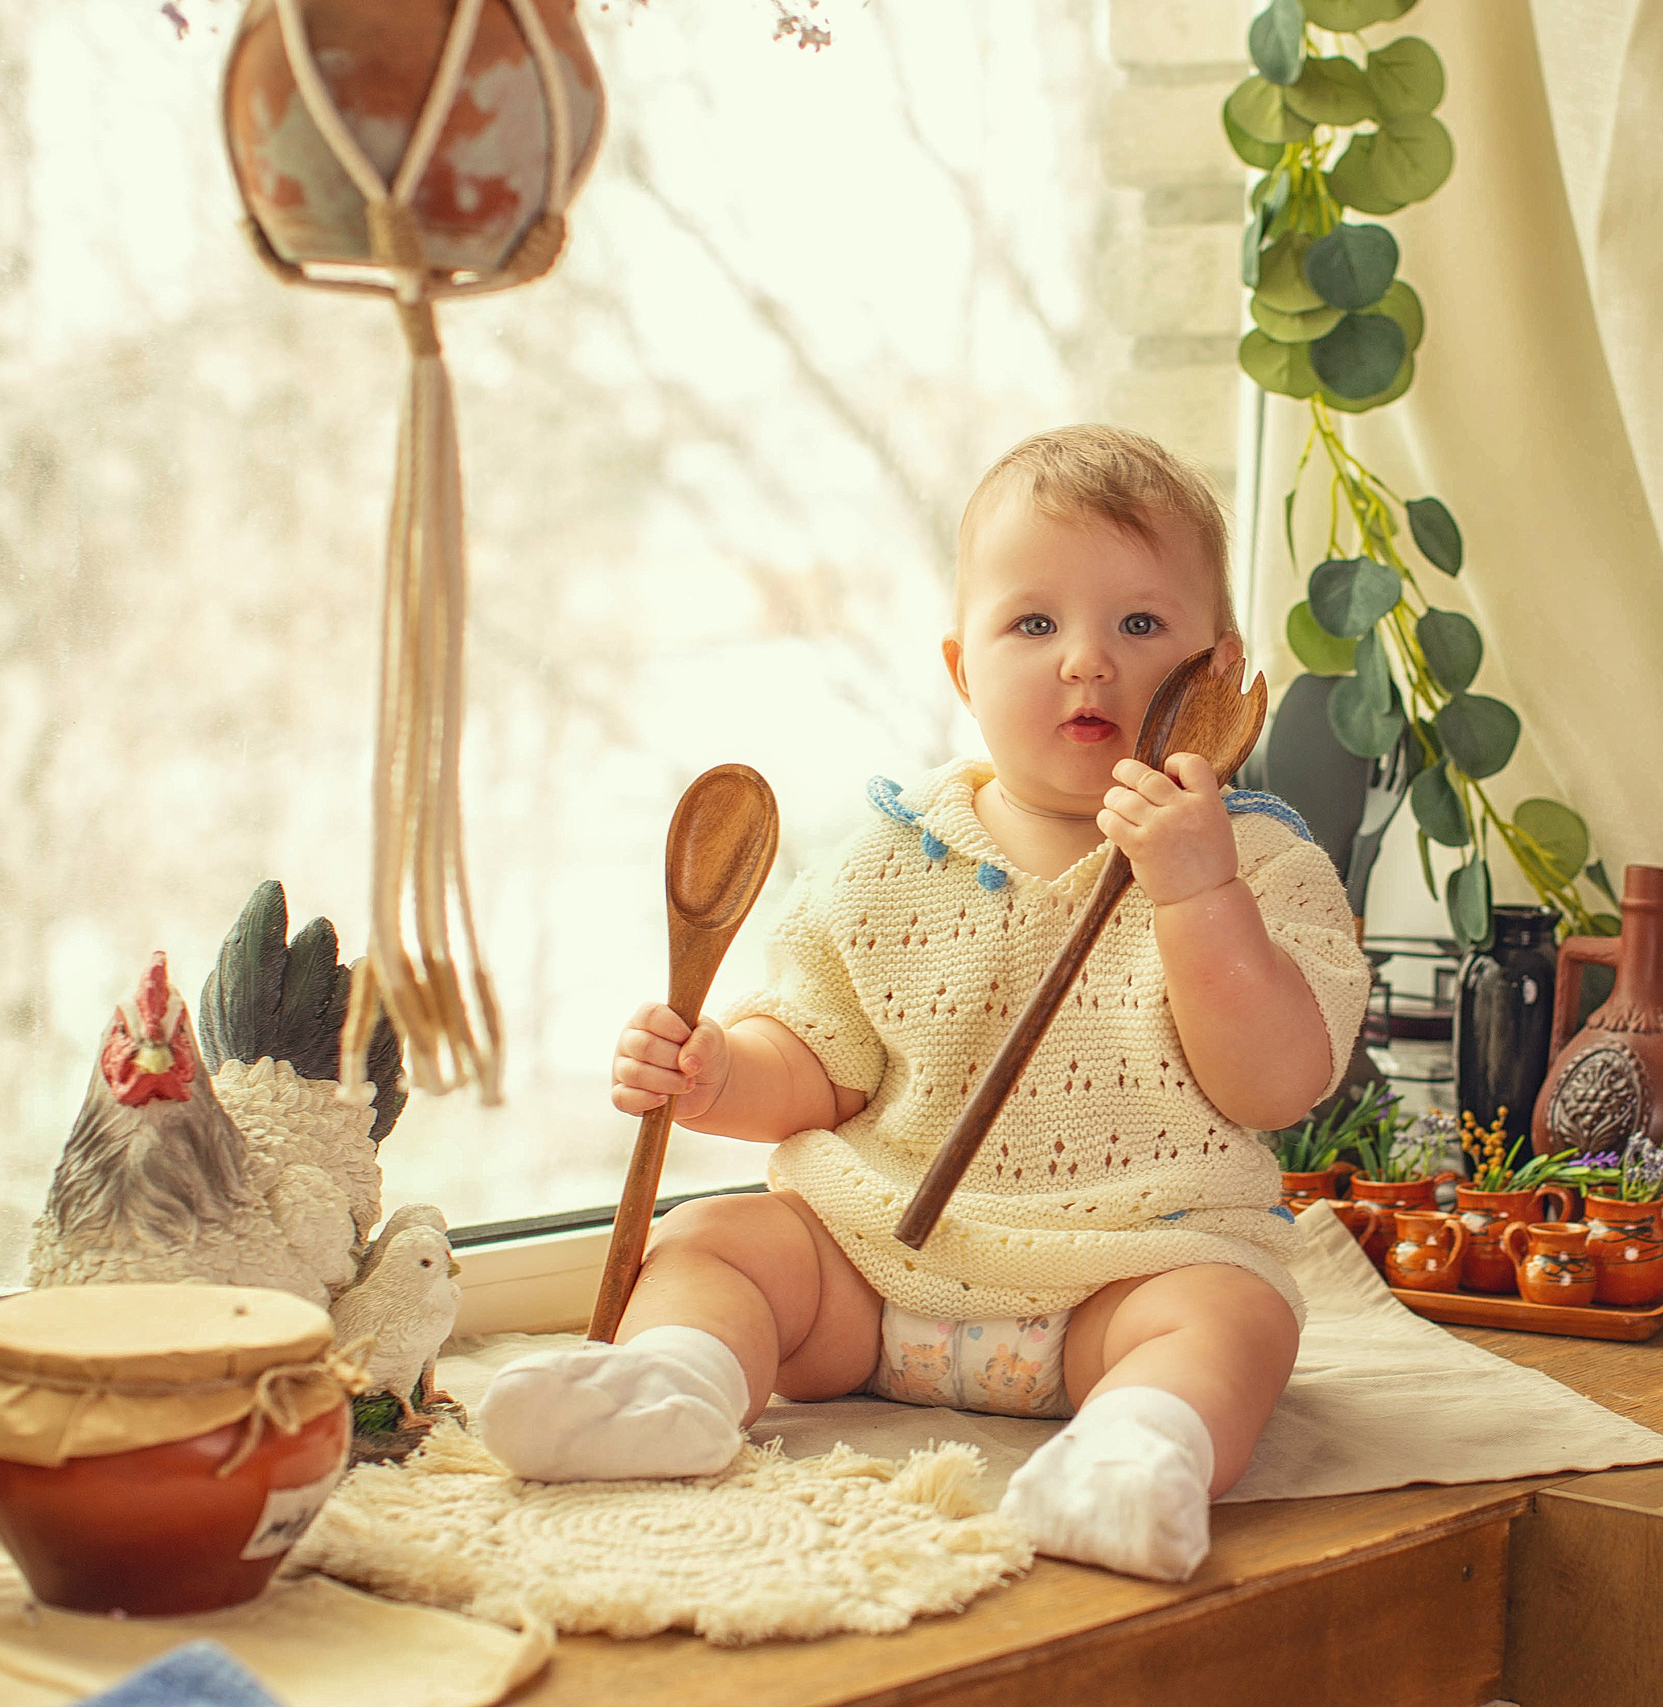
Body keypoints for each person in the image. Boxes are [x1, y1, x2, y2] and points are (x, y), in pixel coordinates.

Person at [478, 424, 1369, 1581]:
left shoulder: (1257, 865)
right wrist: (715, 1073)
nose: (1086, 661)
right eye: (1034, 624)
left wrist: (1194, 892)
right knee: (716, 1239)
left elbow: (1276, 1080)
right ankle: (672, 1387)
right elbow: (816, 1055)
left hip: (1123, 1278)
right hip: (869, 1277)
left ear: (1215, 670)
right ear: (961, 669)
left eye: (1139, 625)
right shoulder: (892, 857)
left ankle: (1136, 1453)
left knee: (1236, 1316)